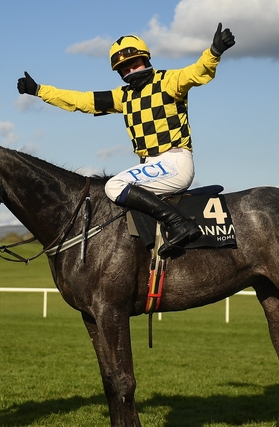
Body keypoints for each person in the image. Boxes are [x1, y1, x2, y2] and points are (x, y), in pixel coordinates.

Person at [18, 23, 235, 257]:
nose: (130, 70)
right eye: (124, 68)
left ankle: (180, 224)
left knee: (114, 185)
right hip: (151, 166)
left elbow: (197, 71)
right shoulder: (123, 97)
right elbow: (82, 101)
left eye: (135, 64)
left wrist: (214, 52)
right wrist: (40, 90)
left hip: (175, 163)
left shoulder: (169, 81)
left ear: (146, 59)